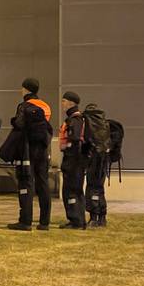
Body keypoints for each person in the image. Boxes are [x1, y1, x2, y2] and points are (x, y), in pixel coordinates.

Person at [7, 78, 53, 231]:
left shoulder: (24, 106)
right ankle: (44, 222)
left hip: (27, 150)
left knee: (26, 183)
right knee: (43, 184)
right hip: (43, 148)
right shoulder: (46, 106)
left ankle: (25, 221)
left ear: (26, 89)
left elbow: (20, 125)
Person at [58, 91, 87, 229]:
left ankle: (76, 220)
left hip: (73, 160)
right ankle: (78, 219)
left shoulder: (74, 120)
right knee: (76, 189)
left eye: (64, 101)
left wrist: (69, 158)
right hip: (77, 160)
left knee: (71, 190)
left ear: (71, 103)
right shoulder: (77, 118)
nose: (62, 104)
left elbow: (75, 139)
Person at [84, 103, 109, 228]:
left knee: (91, 187)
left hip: (93, 158)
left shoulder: (88, 120)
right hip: (104, 159)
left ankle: (93, 217)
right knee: (100, 187)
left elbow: (85, 141)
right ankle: (102, 217)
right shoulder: (104, 122)